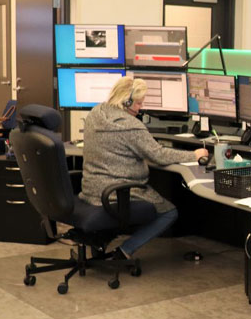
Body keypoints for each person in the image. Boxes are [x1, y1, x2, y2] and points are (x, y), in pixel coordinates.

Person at [79, 77, 207, 260]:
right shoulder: (131, 126)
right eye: (139, 103)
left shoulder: (95, 113)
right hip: (118, 192)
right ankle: (125, 251)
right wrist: (194, 155)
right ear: (127, 101)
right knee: (169, 212)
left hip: (91, 190)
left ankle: (102, 236)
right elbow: (159, 155)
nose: (140, 108)